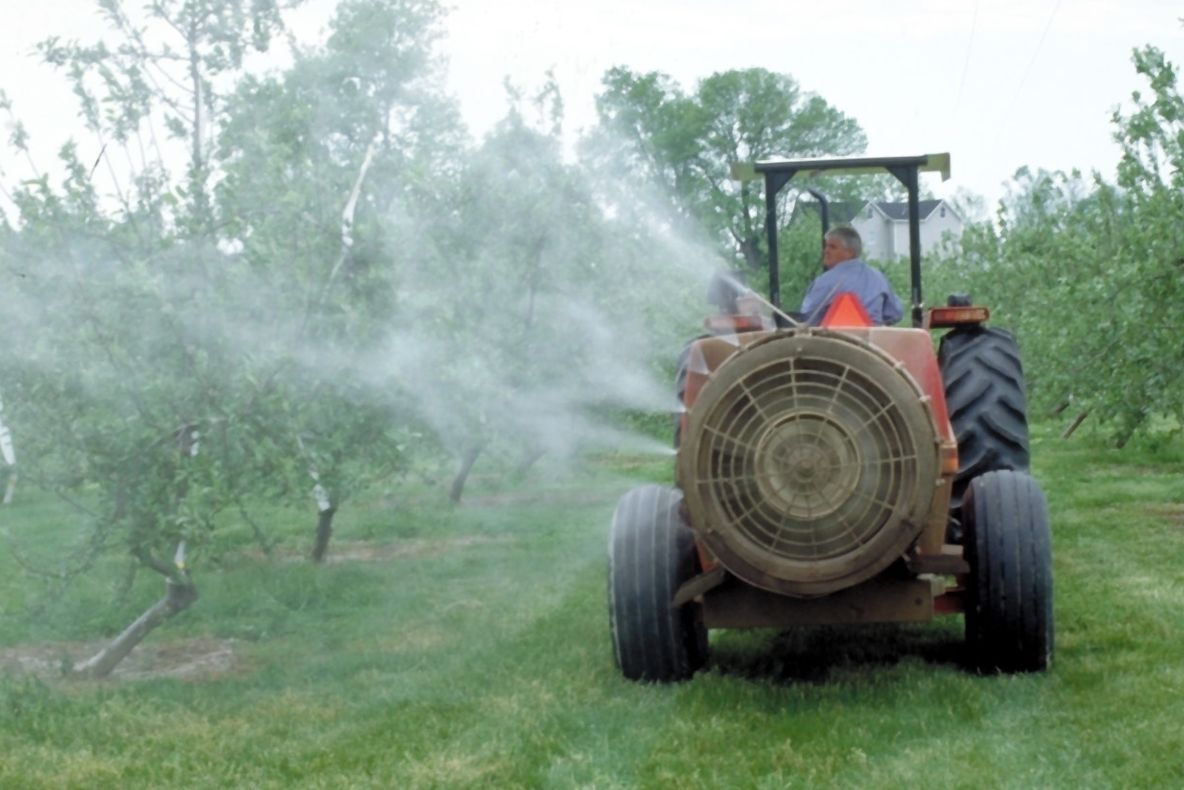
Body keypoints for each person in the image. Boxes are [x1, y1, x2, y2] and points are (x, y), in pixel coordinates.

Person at [799, 226, 904, 326]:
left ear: (849, 253)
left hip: (833, 341)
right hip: (870, 342)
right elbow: (896, 313)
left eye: (832, 247)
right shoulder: (878, 278)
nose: (826, 251)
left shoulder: (825, 281)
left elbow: (807, 318)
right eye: (826, 246)